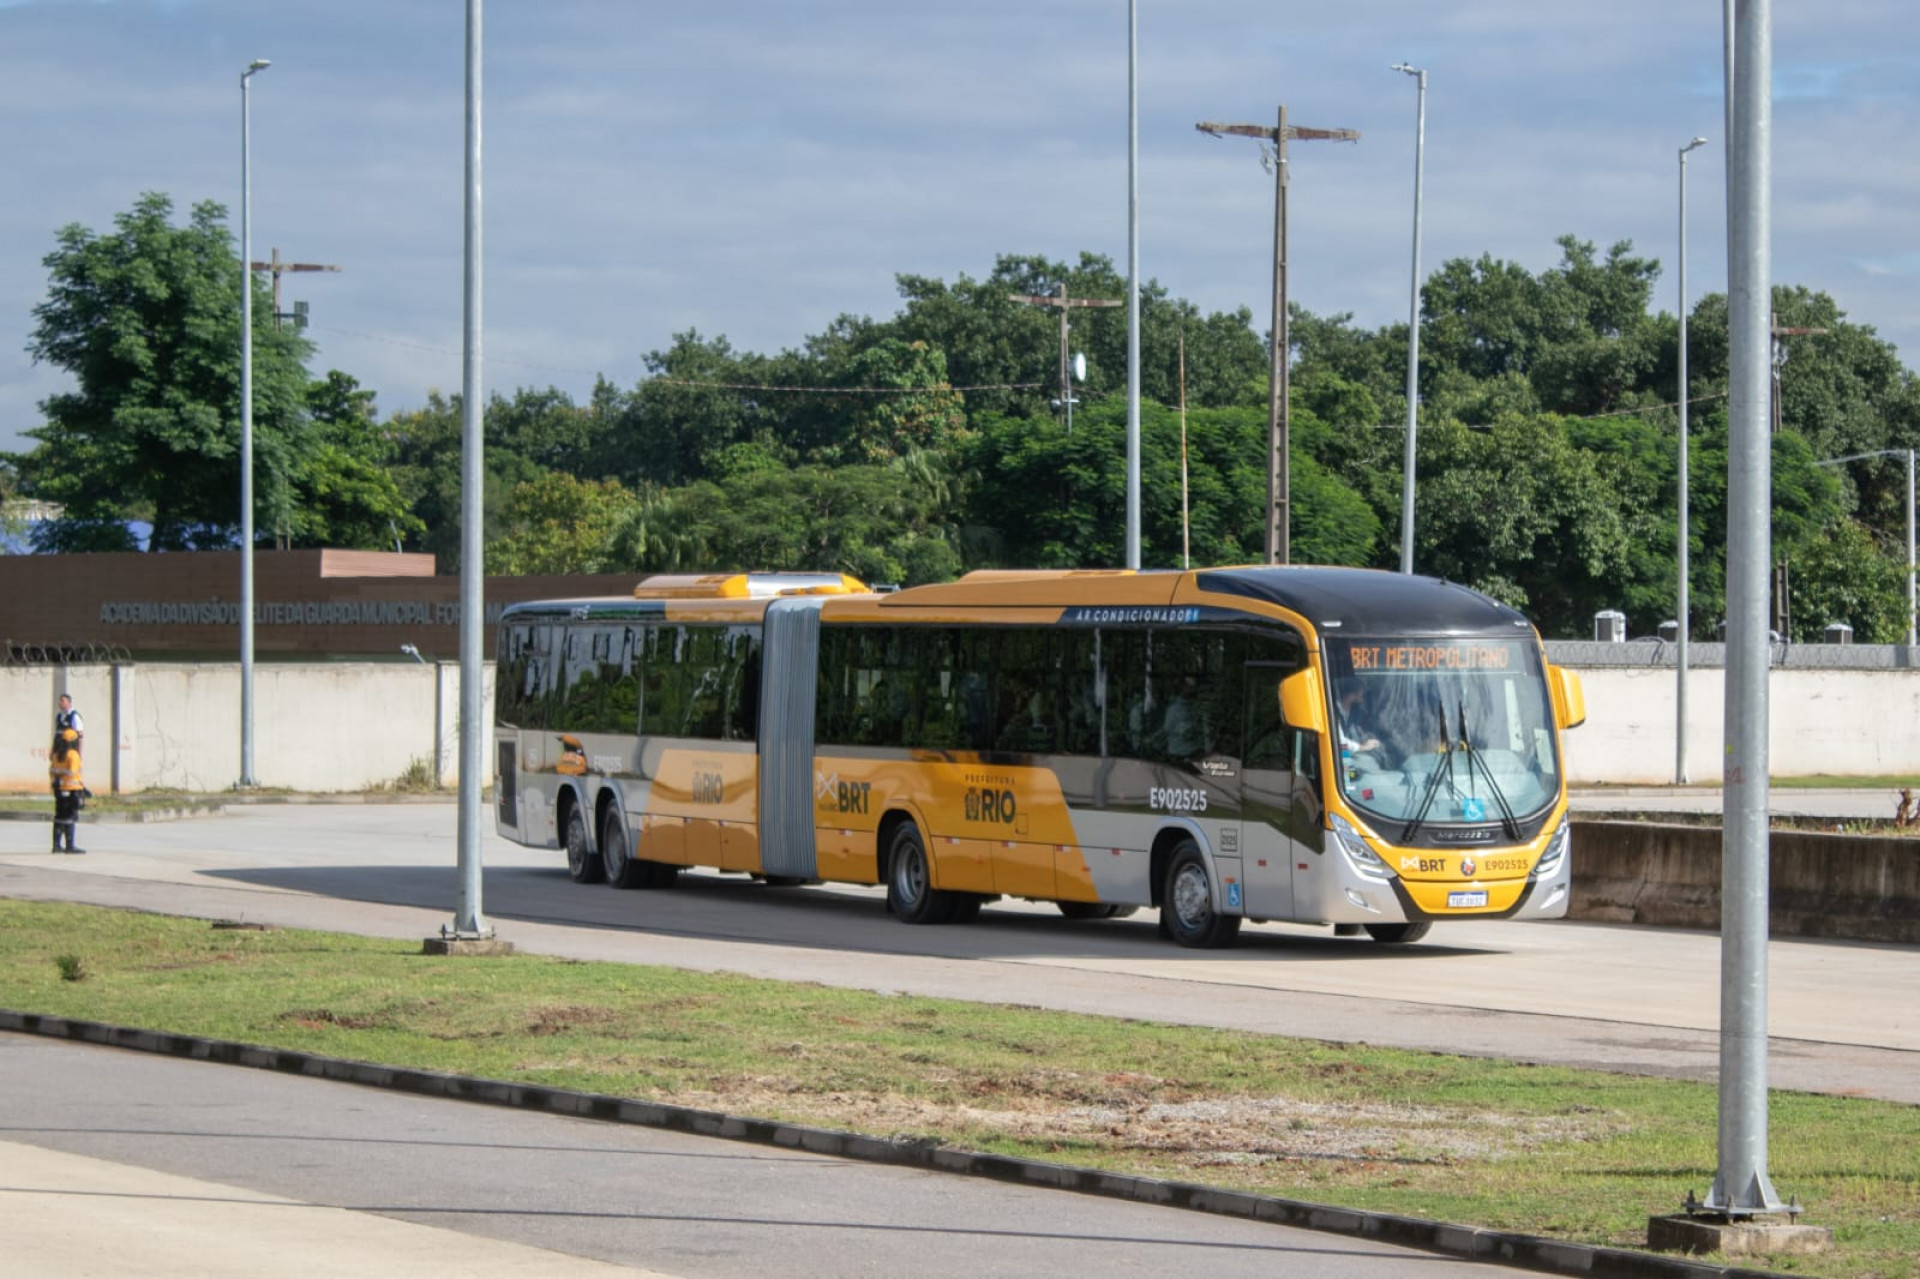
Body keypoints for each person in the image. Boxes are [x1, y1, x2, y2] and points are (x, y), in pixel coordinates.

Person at [49, 728, 86, 854]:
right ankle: (70, 846)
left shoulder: (56, 755)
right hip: (72, 790)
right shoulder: (73, 755)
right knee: (70, 817)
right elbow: (72, 772)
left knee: (59, 817)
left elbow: (52, 771)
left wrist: (59, 774)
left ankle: (56, 845)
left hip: (59, 789)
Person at [1337, 686, 1382, 756]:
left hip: (1350, 756)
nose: (1362, 700)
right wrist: (1362, 747)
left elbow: (1357, 733)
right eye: (1361, 695)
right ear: (1351, 695)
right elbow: (1338, 743)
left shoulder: (1356, 712)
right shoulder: (1330, 712)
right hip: (1340, 758)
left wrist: (1367, 737)